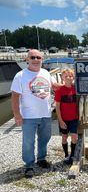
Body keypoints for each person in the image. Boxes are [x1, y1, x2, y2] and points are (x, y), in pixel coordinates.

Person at [11, 49, 60, 178]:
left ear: (42, 60)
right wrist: (17, 114)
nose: (36, 60)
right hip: (28, 116)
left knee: (45, 138)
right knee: (28, 141)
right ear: (27, 59)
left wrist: (70, 85)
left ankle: (41, 159)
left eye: (38, 58)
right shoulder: (20, 75)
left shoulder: (45, 72)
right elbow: (15, 96)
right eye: (32, 57)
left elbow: (54, 86)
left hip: (45, 114)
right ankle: (29, 165)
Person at [54, 68, 78, 165]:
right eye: (66, 76)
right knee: (64, 137)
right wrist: (60, 120)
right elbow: (57, 107)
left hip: (74, 118)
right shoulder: (59, 90)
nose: (68, 78)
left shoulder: (76, 89)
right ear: (62, 77)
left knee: (74, 137)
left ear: (73, 77)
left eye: (70, 76)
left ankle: (72, 155)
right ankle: (66, 155)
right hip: (64, 119)